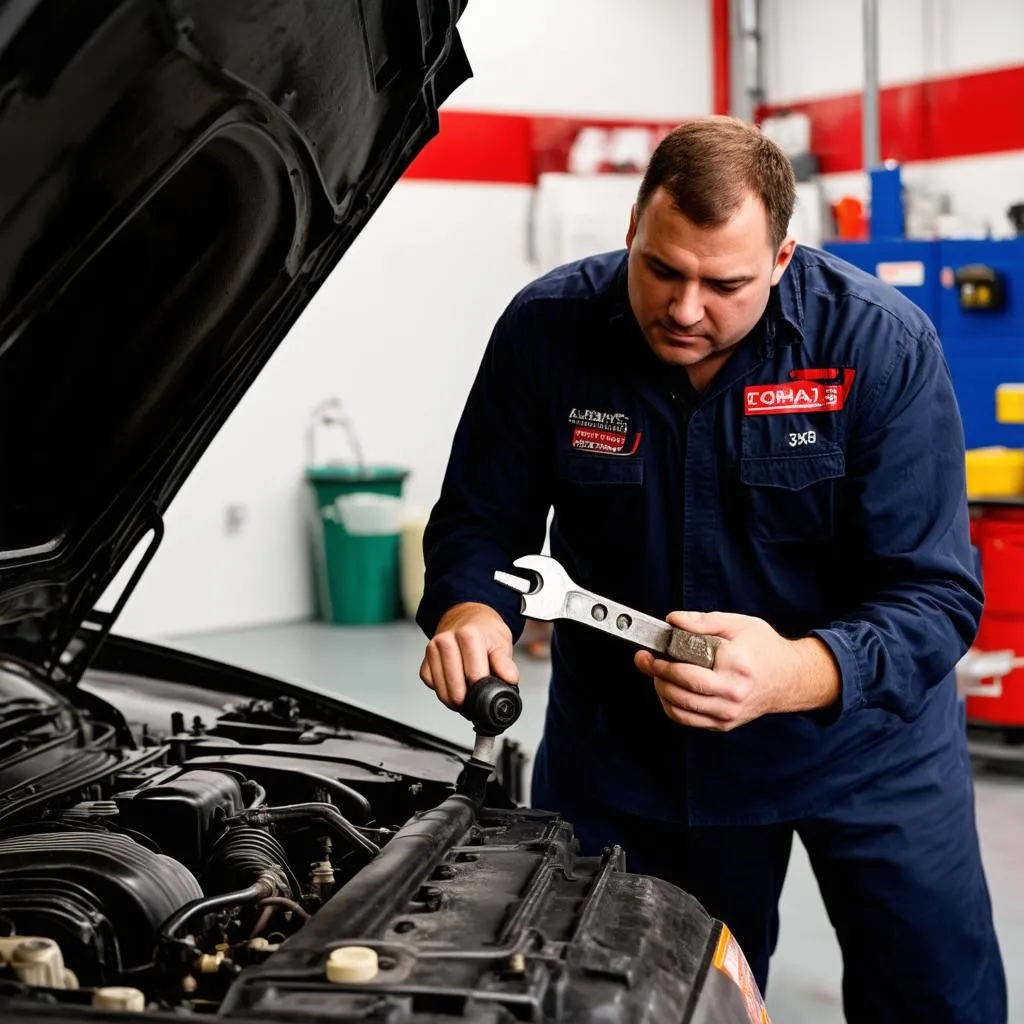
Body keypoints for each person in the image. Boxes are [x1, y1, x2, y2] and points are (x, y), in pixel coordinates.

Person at [415, 116, 1006, 1022]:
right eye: (662, 269)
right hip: (639, 752)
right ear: (631, 233)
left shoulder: (880, 347)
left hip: (867, 744)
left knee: (934, 995)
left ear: (781, 258)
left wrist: (798, 671)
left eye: (725, 283)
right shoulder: (549, 331)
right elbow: (478, 524)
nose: (686, 309)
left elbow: (935, 594)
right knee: (642, 1002)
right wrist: (469, 610)